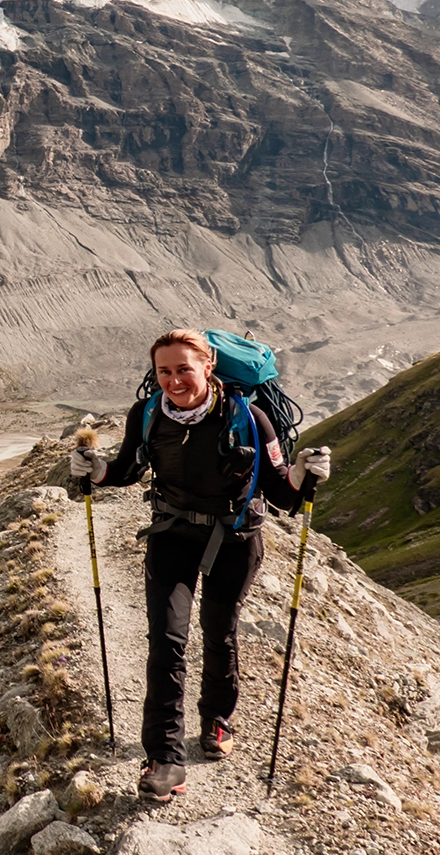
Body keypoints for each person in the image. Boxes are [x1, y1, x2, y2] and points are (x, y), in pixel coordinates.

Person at [68, 329, 330, 803]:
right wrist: (96, 471)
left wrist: (304, 475)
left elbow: (283, 494)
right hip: (172, 535)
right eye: (163, 372)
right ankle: (165, 758)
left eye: (183, 369)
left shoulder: (251, 418)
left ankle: (217, 717)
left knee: (218, 628)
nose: (173, 381)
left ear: (208, 367)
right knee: (167, 640)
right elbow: (127, 469)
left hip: (236, 538)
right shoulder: (148, 414)